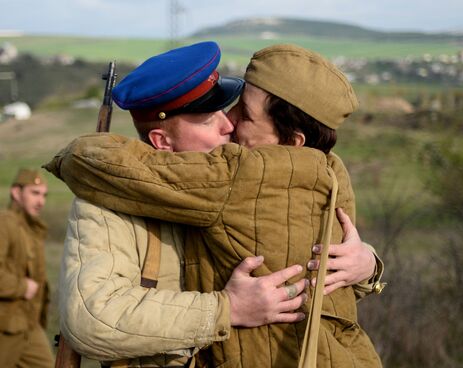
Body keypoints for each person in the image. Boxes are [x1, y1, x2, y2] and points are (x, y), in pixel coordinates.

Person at [46, 42, 382, 367]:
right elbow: (91, 318)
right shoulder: (110, 197)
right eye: (209, 119)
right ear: (161, 141)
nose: (229, 124)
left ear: (293, 143)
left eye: (237, 112)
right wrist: (226, 309)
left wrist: (366, 264)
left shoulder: (253, 174)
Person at [0, 168, 54, 368]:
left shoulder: (32, 229)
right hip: (6, 326)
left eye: (44, 195)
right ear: (16, 193)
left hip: (28, 325)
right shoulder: (5, 222)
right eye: (34, 193)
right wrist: (22, 287)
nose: (41, 201)